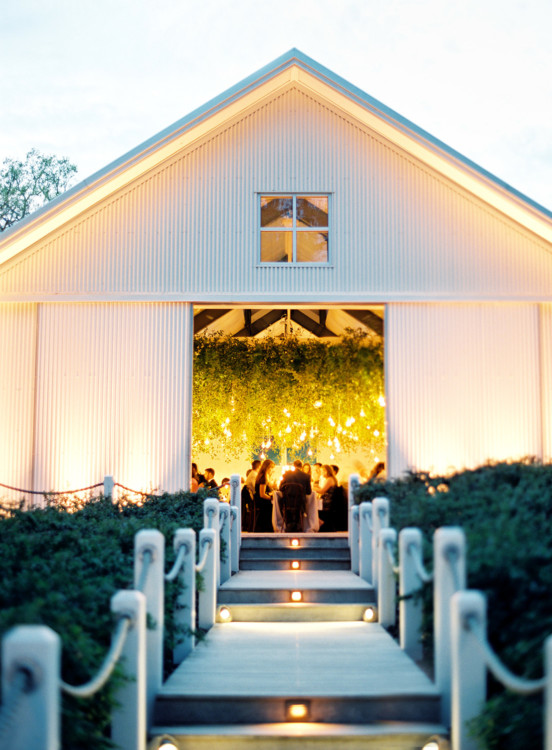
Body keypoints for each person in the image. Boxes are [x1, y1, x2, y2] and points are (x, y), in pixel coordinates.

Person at [313, 464, 338, 531]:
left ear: (326, 471)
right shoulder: (330, 479)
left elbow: (322, 491)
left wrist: (312, 488)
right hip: (328, 500)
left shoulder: (330, 479)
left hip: (327, 502)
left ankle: (321, 523)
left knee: (313, 506)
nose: (321, 473)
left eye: (322, 471)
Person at [254, 459, 276, 532]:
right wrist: (271, 498)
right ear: (267, 467)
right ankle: (269, 527)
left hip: (261, 501)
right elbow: (262, 494)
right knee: (275, 506)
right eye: (271, 468)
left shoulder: (264, 476)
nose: (272, 470)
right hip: (262, 502)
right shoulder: (263, 478)